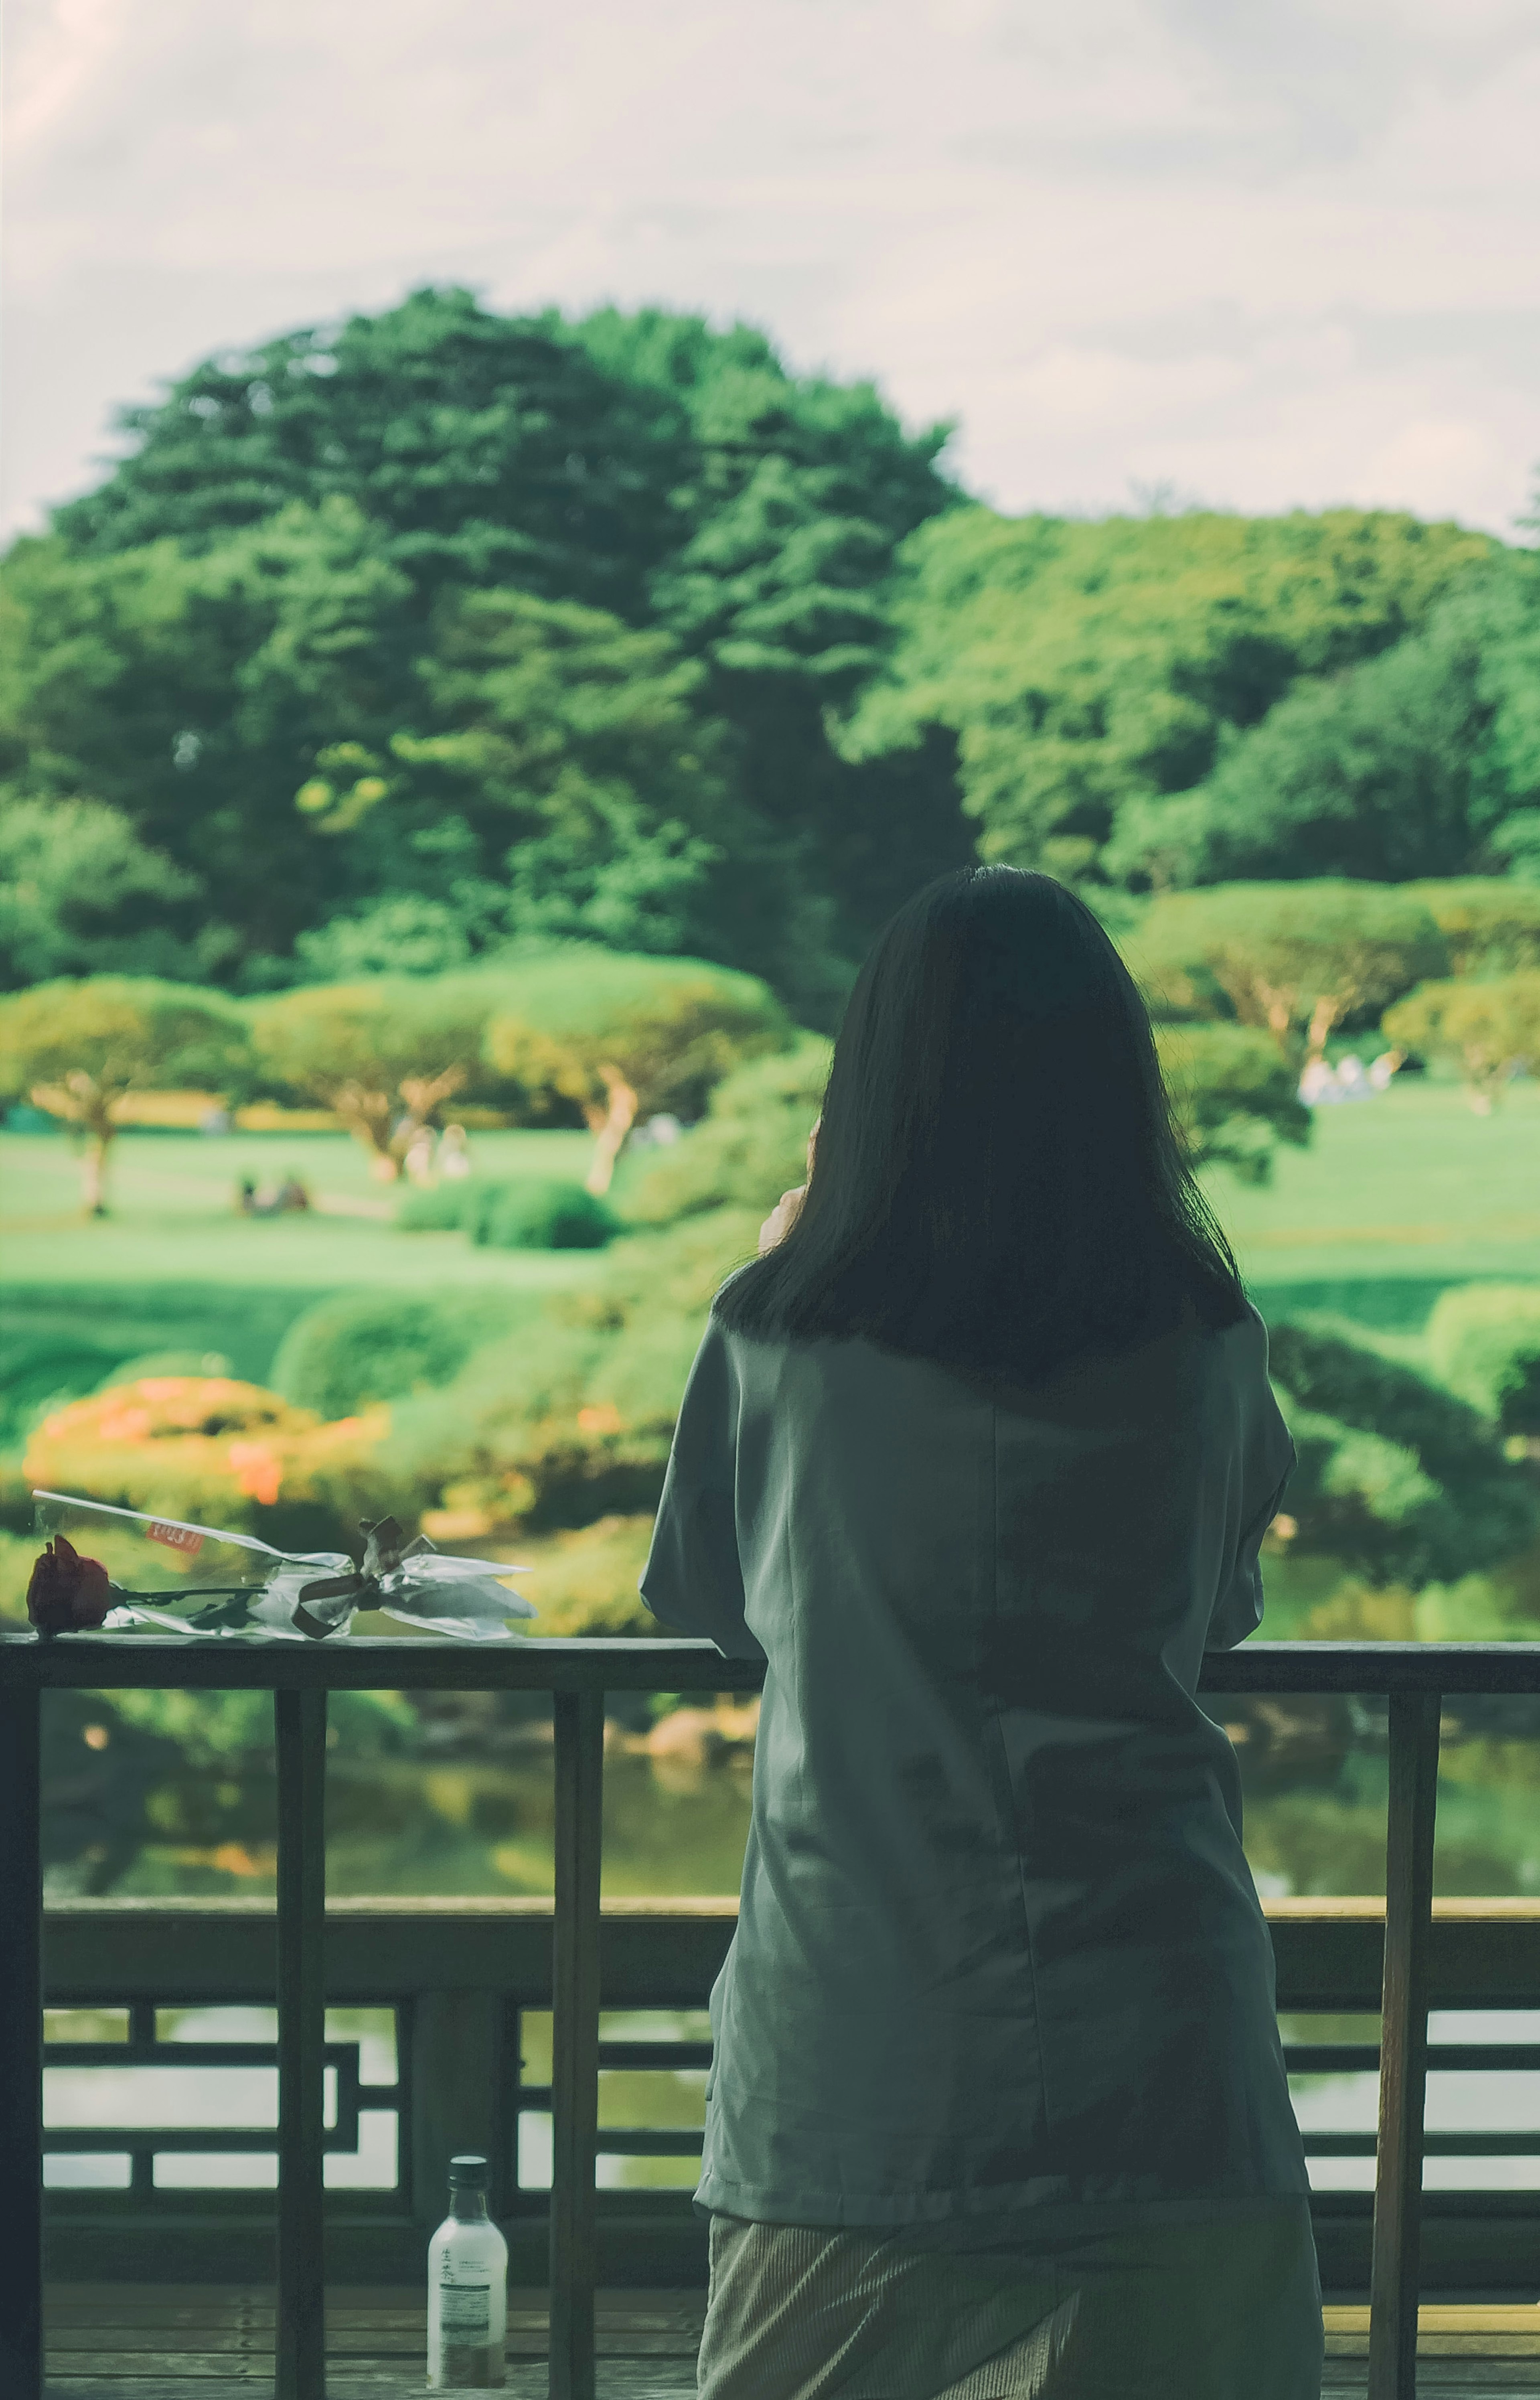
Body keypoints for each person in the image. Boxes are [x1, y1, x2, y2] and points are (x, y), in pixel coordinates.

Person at [640, 867, 1322, 2400]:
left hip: (863, 2041)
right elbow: (1218, 1608)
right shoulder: (1205, 1340)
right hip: (1165, 2036)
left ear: (873, 1083)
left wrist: (789, 1242)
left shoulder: (780, 1338)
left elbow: (714, 1603)